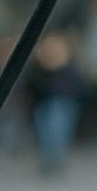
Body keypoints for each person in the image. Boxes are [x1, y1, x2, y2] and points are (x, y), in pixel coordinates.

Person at [26, 34, 83, 173]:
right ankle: (48, 160)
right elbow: (32, 85)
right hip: (43, 103)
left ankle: (55, 159)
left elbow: (75, 87)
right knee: (45, 132)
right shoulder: (38, 67)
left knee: (58, 130)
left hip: (63, 104)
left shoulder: (69, 67)